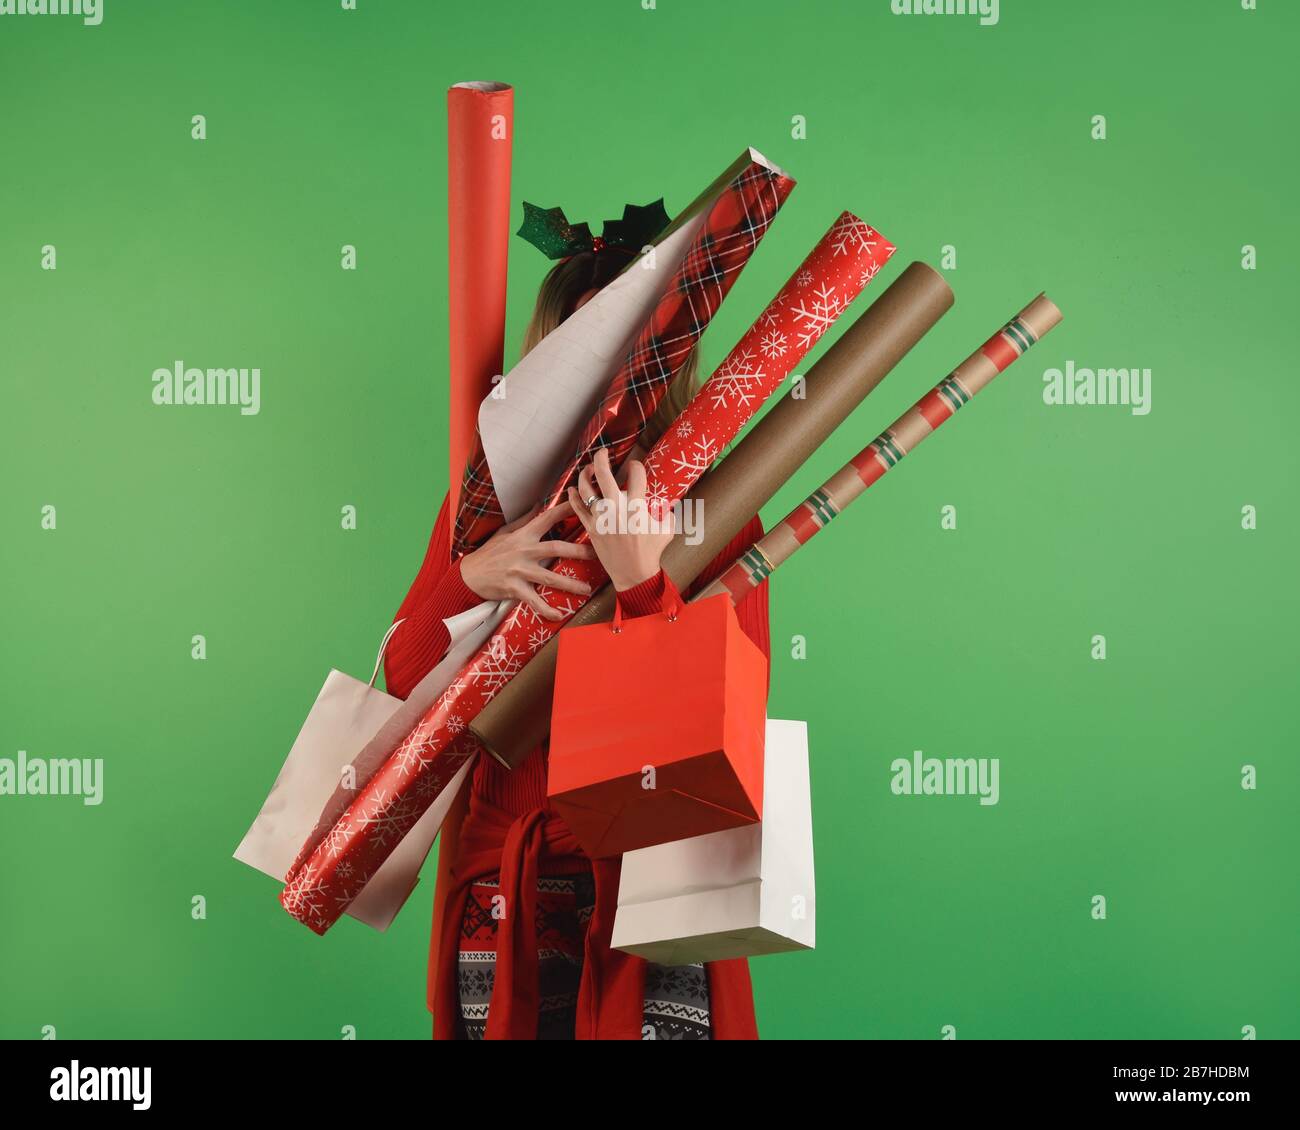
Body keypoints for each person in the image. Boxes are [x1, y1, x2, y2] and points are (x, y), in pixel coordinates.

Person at [383, 210, 769, 1040]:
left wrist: (640, 585)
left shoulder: (717, 507)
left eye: (626, 348)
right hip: (502, 891)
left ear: (669, 353)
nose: (602, 378)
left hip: (656, 884)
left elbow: (732, 727)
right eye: (576, 350)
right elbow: (405, 685)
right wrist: (467, 580)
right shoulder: (488, 505)